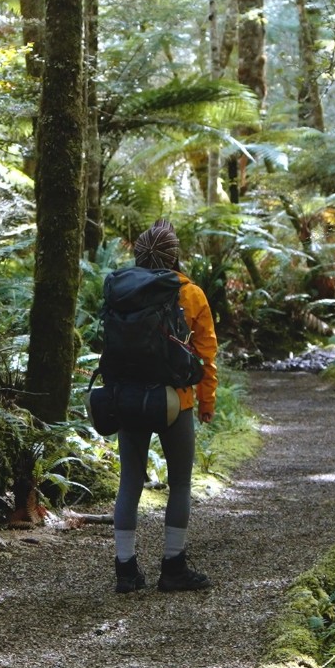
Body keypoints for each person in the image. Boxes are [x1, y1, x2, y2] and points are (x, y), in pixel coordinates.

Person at [111, 219, 217, 593]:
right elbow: (205, 355)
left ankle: (126, 571)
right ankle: (173, 568)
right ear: (175, 256)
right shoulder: (191, 294)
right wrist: (206, 402)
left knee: (129, 482)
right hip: (176, 400)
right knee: (181, 484)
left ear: (137, 254)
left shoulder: (122, 289)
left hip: (128, 398)